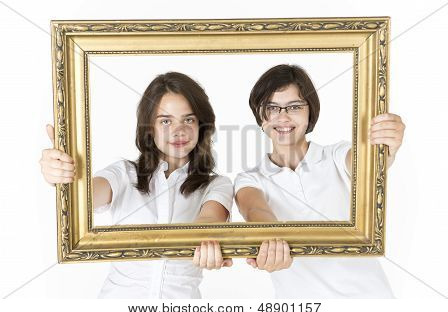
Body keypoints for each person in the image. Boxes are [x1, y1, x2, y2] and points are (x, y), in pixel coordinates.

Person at [40, 72, 233, 298]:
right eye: (166, 121)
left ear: (202, 125)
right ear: (149, 127)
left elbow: (209, 222)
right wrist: (63, 175)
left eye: (188, 119)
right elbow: (86, 196)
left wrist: (208, 240)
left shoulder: (217, 184)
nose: (179, 131)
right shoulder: (123, 174)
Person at [234, 64, 405, 298]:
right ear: (260, 115)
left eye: (294, 106)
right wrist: (268, 236)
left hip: (370, 303)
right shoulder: (251, 178)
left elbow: (367, 164)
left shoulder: (336, 155)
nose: (282, 117)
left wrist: (385, 147)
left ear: (309, 112)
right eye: (272, 107)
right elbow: (254, 208)